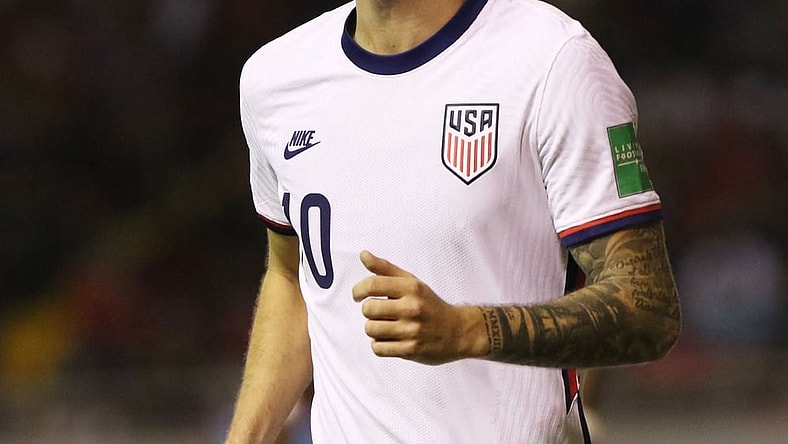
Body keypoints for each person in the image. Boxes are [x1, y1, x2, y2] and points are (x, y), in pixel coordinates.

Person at [226, 0, 681, 442]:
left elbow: (648, 309)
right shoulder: (276, 80)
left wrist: (466, 330)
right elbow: (291, 276)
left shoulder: (555, 60)